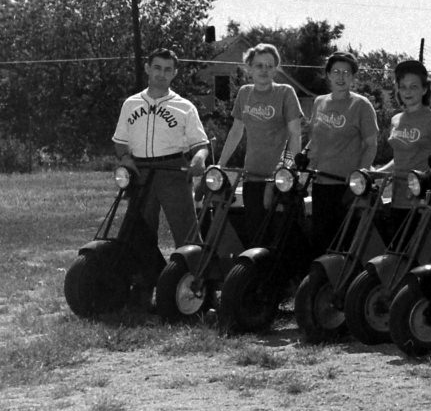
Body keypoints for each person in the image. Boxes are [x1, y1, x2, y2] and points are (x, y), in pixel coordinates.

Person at [112, 47, 210, 250]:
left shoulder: (185, 107)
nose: (161, 74)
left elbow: (201, 144)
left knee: (186, 231)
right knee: (140, 232)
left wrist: (199, 158)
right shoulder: (131, 104)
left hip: (173, 169)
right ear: (147, 68)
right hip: (141, 171)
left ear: (174, 73)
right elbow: (120, 140)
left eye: (167, 69)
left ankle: (194, 278)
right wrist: (125, 158)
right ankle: (145, 278)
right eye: (157, 67)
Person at [216, 43, 304, 242]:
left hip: (280, 179)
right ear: (249, 68)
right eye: (259, 65)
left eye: (269, 65)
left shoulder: (285, 93)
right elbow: (236, 131)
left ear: (275, 69)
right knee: (255, 233)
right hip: (252, 175)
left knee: (282, 236)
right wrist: (220, 164)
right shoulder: (244, 93)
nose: (264, 70)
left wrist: (288, 169)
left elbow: (295, 134)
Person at [307, 52, 380, 256]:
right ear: (328, 75)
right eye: (336, 72)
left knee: (343, 244)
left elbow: (371, 144)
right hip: (320, 184)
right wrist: (304, 160)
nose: (341, 77)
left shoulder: (361, 105)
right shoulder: (319, 102)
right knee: (320, 241)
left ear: (353, 77)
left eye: (346, 73)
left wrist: (360, 174)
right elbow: (315, 140)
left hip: (346, 189)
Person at [374, 58, 431, 215]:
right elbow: (399, 159)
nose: (407, 92)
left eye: (414, 87)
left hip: (424, 204)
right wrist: (376, 173)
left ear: (424, 89)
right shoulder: (396, 120)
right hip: (398, 199)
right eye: (403, 87)